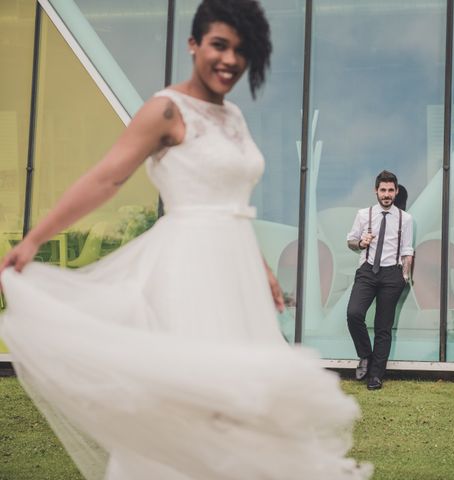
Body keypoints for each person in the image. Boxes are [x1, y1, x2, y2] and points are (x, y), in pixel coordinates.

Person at [0, 1, 372, 479]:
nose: (231, 60)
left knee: (243, 406)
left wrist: (258, 266)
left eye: (242, 50)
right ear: (194, 44)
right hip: (188, 267)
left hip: (233, 271)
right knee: (194, 402)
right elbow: (105, 179)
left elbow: (231, 203)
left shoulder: (234, 116)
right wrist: (34, 239)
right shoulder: (165, 111)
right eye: (219, 45)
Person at [346, 171, 414, 390]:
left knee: (383, 327)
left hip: (391, 275)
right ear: (376, 190)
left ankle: (376, 375)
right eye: (383, 190)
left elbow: (407, 250)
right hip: (367, 271)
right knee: (354, 314)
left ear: (396, 192)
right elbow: (350, 241)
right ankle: (365, 355)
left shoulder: (406, 218)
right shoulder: (363, 214)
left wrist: (404, 276)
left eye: (390, 190)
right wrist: (361, 243)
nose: (386, 195)